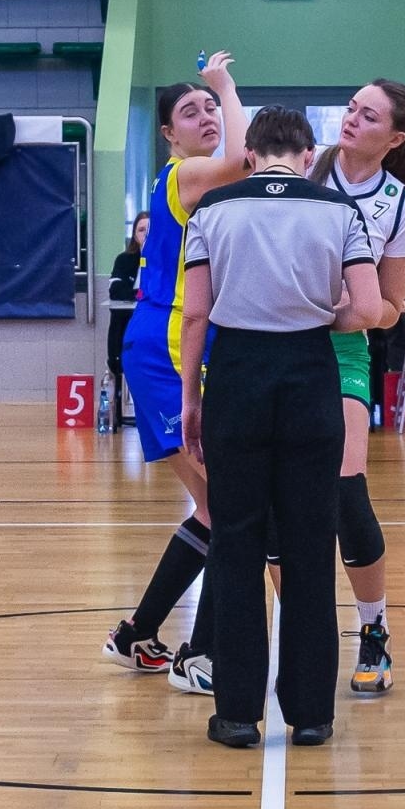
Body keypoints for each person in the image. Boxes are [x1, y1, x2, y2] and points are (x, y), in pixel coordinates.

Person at [179, 105, 382, 749]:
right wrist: (323, 314)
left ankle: (238, 713)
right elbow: (370, 308)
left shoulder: (211, 209)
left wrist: (191, 399)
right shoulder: (339, 210)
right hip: (309, 375)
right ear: (307, 153)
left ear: (251, 153)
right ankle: (312, 713)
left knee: (236, 544)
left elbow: (196, 316)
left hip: (236, 375)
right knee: (310, 544)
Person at [104, 52, 251, 696]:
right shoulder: (186, 174)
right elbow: (243, 160)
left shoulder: (199, 183)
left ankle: (136, 633)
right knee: (232, 507)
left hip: (180, 345)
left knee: (217, 508)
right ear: (169, 133)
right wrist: (226, 85)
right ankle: (202, 654)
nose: (208, 116)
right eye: (192, 112)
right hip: (166, 348)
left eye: (212, 107)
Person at [295, 79, 405, 696]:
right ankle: (300, 632)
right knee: (279, 506)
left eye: (368, 116)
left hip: (344, 348)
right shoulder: (303, 171)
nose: (351, 119)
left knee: (346, 493)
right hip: (280, 345)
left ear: (394, 138)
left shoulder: (399, 205)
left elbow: (392, 306)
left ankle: (374, 629)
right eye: (350, 108)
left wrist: (350, 313)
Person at [105, 212, 148, 379]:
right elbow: (115, 290)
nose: (146, 234)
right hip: (125, 321)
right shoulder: (124, 259)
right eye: (141, 230)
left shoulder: (166, 261)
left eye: (150, 229)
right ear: (135, 235)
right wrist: (139, 294)